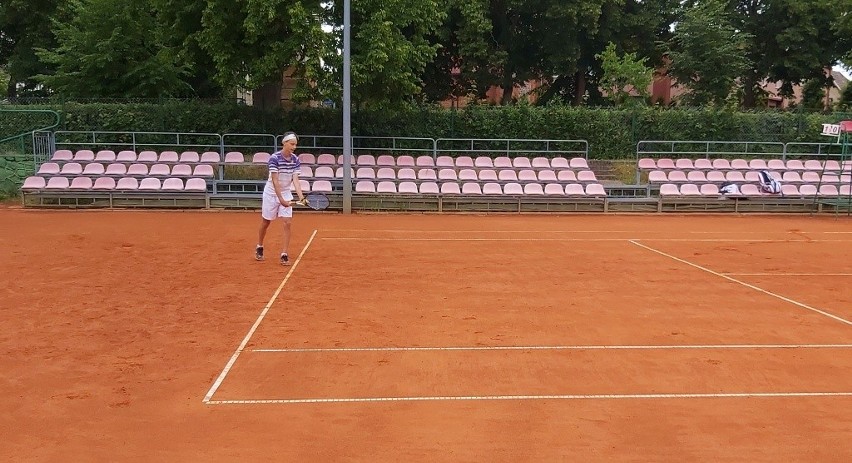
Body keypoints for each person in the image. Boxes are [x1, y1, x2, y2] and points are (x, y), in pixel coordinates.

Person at [255, 131, 305, 265]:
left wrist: (301, 197)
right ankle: (259, 245)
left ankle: (284, 253)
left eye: (295, 144)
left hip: (286, 192)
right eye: (292, 144)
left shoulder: (295, 159)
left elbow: (295, 179)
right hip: (271, 193)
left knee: (287, 223)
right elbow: (275, 181)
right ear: (284, 143)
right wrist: (281, 199)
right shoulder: (274, 158)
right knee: (266, 222)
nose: (294, 147)